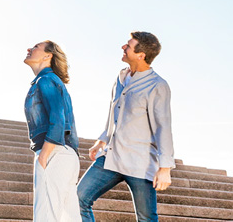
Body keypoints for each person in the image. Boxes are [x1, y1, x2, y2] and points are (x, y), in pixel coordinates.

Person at [77, 32, 174, 222]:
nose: (123, 47)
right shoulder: (121, 77)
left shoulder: (157, 85)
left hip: (140, 163)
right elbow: (113, 113)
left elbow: (163, 127)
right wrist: (102, 139)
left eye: (128, 46)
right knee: (78, 197)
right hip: (111, 158)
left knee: (147, 218)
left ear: (141, 55)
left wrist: (165, 168)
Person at [24, 40, 80, 221]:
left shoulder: (46, 80)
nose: (29, 49)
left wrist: (43, 156)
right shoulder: (51, 81)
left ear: (48, 56)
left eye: (35, 47)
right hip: (66, 155)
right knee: (68, 217)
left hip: (53, 152)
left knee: (46, 216)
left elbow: (57, 117)